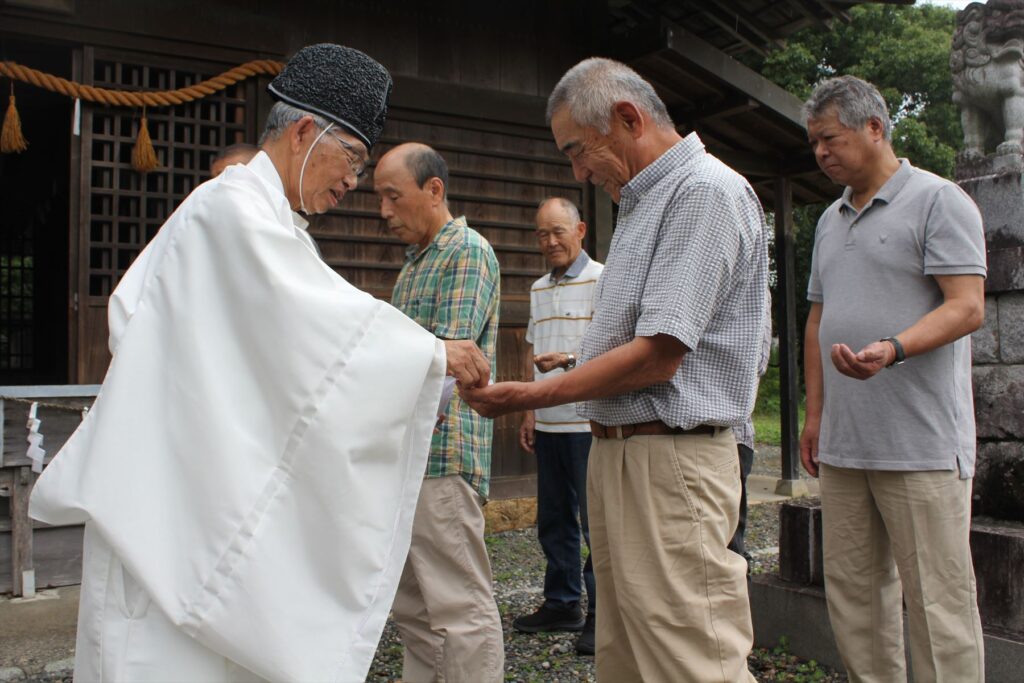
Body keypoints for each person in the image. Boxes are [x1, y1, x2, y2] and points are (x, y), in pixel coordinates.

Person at [28, 44, 490, 683]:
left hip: (199, 481)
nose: (353, 183)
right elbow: (316, 327)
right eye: (351, 159)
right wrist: (429, 355)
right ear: (304, 131)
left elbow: (293, 348)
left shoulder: (268, 221)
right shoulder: (232, 210)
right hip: (173, 491)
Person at [462, 57, 769, 682]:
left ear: (628, 119)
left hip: (673, 457)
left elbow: (661, 353)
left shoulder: (703, 191)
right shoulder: (642, 201)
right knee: (626, 655)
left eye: (578, 150)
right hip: (625, 451)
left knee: (692, 656)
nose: (576, 170)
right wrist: (567, 374)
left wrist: (538, 392)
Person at [799, 75, 986, 682]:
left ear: (875, 128)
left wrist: (895, 348)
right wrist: (814, 414)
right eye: (815, 143)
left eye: (830, 138)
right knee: (855, 597)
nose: (821, 152)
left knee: (938, 602)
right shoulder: (829, 219)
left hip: (922, 443)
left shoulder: (939, 200)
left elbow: (967, 306)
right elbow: (817, 321)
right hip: (847, 443)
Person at [374, 142, 504, 682]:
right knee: (412, 608)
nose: (383, 211)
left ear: (434, 190)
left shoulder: (466, 251)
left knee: (458, 607)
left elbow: (450, 357)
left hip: (444, 453)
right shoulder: (414, 265)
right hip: (408, 456)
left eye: (392, 196)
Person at [513, 197, 603, 655]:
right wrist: (529, 412)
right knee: (553, 519)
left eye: (557, 232)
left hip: (589, 422)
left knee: (596, 523)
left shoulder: (602, 280)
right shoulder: (537, 289)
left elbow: (613, 348)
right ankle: (562, 602)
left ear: (580, 229)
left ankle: (601, 616)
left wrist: (570, 361)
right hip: (548, 425)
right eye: (541, 234)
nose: (549, 242)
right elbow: (533, 355)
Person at [728, 307, 772, 566]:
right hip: (680, 438)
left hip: (730, 436)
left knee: (728, 551)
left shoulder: (752, 282)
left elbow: (755, 362)